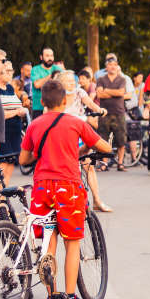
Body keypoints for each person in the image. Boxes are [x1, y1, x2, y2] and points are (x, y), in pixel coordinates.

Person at [18, 80, 111, 299]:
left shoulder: (35, 125)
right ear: (66, 100)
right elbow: (104, 147)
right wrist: (90, 148)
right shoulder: (75, 122)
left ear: (42, 101)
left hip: (41, 187)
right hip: (67, 186)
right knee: (72, 243)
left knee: (48, 244)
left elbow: (23, 160)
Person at [56, 71, 111, 213]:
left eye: (72, 80)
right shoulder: (57, 96)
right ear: (61, 82)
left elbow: (91, 104)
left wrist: (99, 110)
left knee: (89, 166)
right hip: (63, 136)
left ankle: (97, 200)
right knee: (67, 169)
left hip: (79, 133)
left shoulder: (79, 92)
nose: (72, 83)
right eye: (68, 81)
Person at [96, 57, 130, 172]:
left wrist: (106, 90)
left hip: (119, 112)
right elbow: (99, 94)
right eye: (110, 65)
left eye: (115, 65)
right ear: (106, 67)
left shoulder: (122, 79)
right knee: (103, 138)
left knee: (121, 139)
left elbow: (121, 92)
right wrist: (114, 93)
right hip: (104, 113)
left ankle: (120, 163)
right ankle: (104, 164)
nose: (113, 67)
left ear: (117, 66)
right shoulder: (101, 79)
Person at [0, 61, 27, 182]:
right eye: (7, 70)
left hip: (15, 131)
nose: (10, 73)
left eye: (11, 70)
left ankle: (4, 192)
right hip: (3, 132)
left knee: (11, 163)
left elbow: (16, 106)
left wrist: (22, 111)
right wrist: (16, 112)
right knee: (2, 165)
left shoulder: (10, 88)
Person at [31, 47, 63, 118]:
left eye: (51, 55)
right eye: (47, 56)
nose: (50, 58)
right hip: (39, 107)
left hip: (55, 107)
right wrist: (51, 75)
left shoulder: (58, 69)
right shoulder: (35, 69)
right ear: (41, 57)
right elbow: (37, 85)